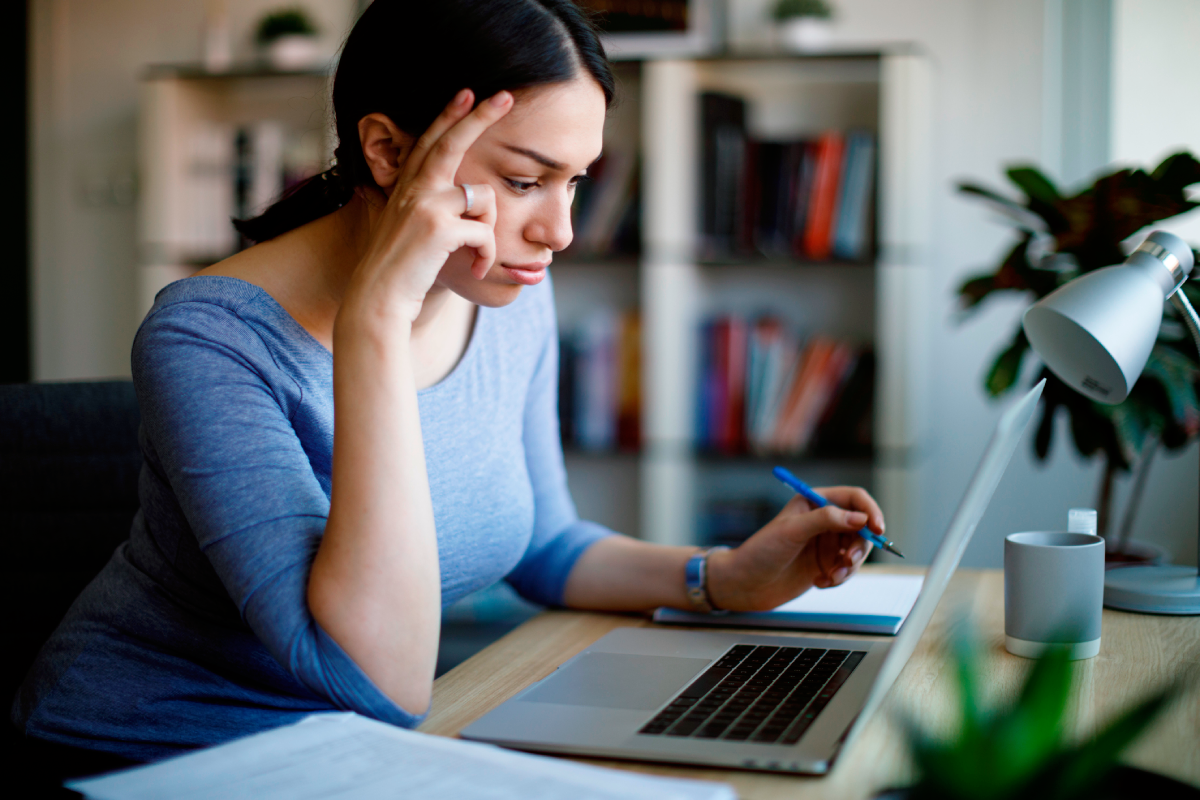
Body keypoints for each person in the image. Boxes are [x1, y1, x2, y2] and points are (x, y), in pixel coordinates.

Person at [12, 0, 883, 764]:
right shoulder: (207, 337)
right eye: (523, 179)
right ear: (388, 150)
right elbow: (379, 677)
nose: (562, 231)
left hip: (353, 751)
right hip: (145, 750)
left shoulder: (504, 293)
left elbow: (545, 542)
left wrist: (724, 577)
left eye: (577, 182)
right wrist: (376, 323)